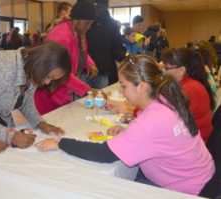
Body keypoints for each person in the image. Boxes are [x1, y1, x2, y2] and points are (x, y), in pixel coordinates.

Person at [36, 55, 215, 195]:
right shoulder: (165, 100)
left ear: (142, 87)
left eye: (124, 86)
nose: (122, 92)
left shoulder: (149, 123)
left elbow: (103, 154)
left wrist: (61, 142)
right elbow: (157, 134)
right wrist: (131, 131)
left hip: (187, 191)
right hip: (203, 177)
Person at [34, 0, 99, 115]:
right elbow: (60, 71)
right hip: (50, 93)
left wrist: (89, 63)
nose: (88, 27)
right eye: (86, 23)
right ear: (76, 20)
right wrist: (87, 90)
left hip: (63, 91)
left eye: (91, 24)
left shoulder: (78, 32)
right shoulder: (61, 36)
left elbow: (81, 52)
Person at [161, 48, 215, 143]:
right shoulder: (190, 83)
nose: (164, 72)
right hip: (196, 141)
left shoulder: (189, 90)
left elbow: (167, 121)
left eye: (166, 68)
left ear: (181, 70)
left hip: (196, 145)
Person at [85, 0, 126, 88]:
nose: (96, 9)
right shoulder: (86, 21)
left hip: (103, 73)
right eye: (94, 6)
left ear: (106, 7)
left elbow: (117, 48)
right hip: (84, 72)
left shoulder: (112, 25)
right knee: (81, 101)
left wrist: (126, 60)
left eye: (99, 7)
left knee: (102, 100)